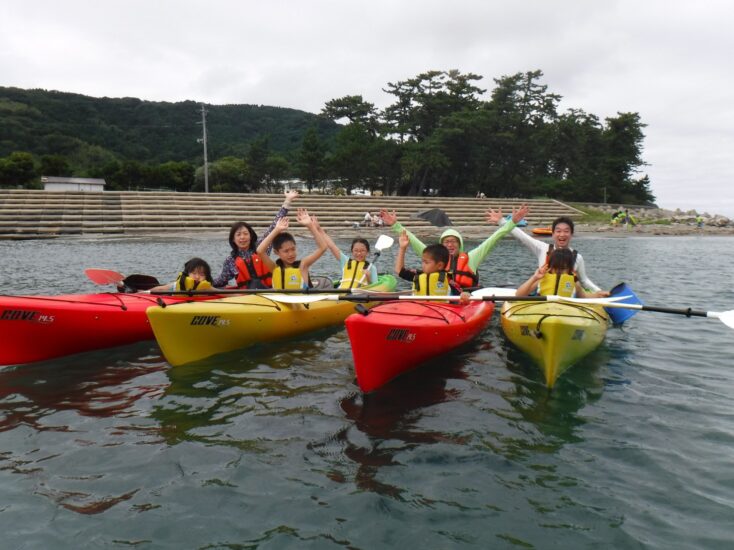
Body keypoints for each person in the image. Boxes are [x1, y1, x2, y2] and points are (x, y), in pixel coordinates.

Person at [380, 203, 530, 289]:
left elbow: (493, 239)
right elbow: (412, 239)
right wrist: (396, 225)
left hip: (465, 300)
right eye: (446, 242)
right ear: (441, 245)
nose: (450, 245)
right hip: (441, 299)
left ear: (460, 245)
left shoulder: (471, 257)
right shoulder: (434, 257)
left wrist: (511, 223)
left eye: (453, 241)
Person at [492, 213, 609, 296]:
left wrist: (599, 292)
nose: (562, 234)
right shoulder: (543, 248)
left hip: (567, 296)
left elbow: (584, 281)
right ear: (553, 234)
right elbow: (522, 236)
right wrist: (502, 221)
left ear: (571, 234)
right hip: (542, 293)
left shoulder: (577, 257)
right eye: (558, 231)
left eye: (566, 231)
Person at [212, 190, 299, 288]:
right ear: (233, 239)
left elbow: (274, 226)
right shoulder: (230, 261)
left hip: (269, 292)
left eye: (245, 234)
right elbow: (221, 280)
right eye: (238, 235)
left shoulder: (261, 247)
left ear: (251, 236)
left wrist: (288, 201)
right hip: (248, 298)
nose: (242, 237)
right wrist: (202, 282)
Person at [303, 208, 379, 289]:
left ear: (367, 252)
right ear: (352, 251)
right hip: (341, 294)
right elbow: (332, 246)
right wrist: (319, 229)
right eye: (356, 250)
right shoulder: (346, 261)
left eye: (362, 251)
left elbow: (376, 288)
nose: (359, 253)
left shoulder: (371, 268)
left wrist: (368, 278)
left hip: (360, 296)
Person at [395, 230, 469, 303]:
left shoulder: (448, 280)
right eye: (423, 262)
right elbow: (399, 271)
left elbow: (461, 293)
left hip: (440, 311)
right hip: (418, 310)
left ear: (439, 265)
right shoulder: (417, 276)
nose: (423, 265)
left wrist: (464, 295)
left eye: (426, 262)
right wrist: (402, 248)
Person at [255, 213, 327, 290]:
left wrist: (310, 226)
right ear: (276, 252)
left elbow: (323, 247)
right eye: (286, 251)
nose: (291, 254)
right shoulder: (274, 267)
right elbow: (260, 251)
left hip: (301, 301)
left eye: (293, 249)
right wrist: (276, 230)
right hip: (279, 302)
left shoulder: (303, 265)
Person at [515, 248, 588, 298]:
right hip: (542, 309)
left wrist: (596, 295)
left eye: (563, 268)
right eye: (555, 268)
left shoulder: (574, 282)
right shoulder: (541, 279)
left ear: (570, 269)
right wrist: (534, 277)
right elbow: (518, 295)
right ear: (550, 267)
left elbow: (583, 296)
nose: (558, 272)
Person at [149, 257, 214, 292]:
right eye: (194, 273)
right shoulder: (177, 285)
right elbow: (159, 289)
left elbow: (221, 293)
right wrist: (144, 292)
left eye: (202, 275)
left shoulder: (207, 288)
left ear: (206, 277)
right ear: (187, 273)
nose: (197, 277)